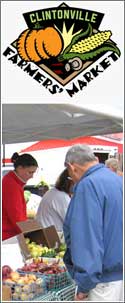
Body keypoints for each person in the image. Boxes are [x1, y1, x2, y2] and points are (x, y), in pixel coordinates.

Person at [63, 144, 123, 302]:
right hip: (118, 275)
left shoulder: (87, 185)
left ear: (72, 167)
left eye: (69, 174)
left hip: (102, 282)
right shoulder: (117, 180)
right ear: (95, 159)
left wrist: (83, 286)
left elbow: (86, 239)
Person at [2, 152, 38, 241]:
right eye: (30, 172)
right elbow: (17, 218)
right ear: (20, 168)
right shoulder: (11, 185)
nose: (32, 176)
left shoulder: (11, 182)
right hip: (8, 236)